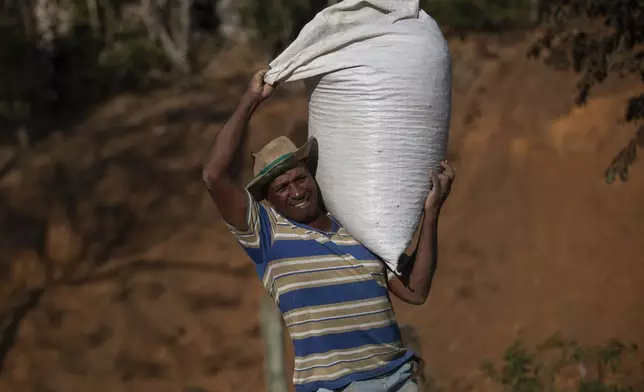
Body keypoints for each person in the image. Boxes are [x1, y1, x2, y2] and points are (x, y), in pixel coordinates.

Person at [202, 68, 455, 392]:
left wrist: (431, 212)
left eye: (300, 179)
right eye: (282, 187)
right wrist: (251, 99)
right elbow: (213, 175)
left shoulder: (358, 226)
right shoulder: (266, 234)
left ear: (313, 177)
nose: (296, 191)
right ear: (268, 199)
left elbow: (416, 291)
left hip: (399, 380)